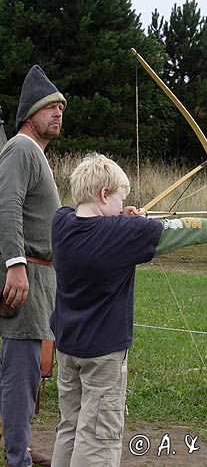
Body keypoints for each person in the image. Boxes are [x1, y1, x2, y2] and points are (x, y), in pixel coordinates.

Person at [50, 153, 207, 467]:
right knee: (98, 438)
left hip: (68, 348)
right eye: (120, 197)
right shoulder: (123, 232)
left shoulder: (62, 221)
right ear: (103, 195)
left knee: (70, 425)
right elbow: (179, 228)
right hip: (102, 354)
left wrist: (124, 218)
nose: (124, 203)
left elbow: (95, 223)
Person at [0, 65, 67, 467]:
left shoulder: (34, 155)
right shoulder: (22, 149)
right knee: (21, 371)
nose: (58, 113)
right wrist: (15, 265)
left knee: (23, 368)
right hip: (28, 272)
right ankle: (16, 456)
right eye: (50, 107)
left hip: (41, 274)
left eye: (61, 107)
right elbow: (6, 207)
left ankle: (17, 447)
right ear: (30, 114)